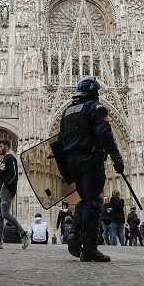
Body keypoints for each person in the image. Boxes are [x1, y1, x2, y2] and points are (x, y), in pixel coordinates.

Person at [56, 76, 125, 262]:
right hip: (90, 160)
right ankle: (90, 248)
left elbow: (60, 140)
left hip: (72, 163)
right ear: (94, 92)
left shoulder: (68, 112)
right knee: (94, 202)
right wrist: (116, 157)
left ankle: (75, 232)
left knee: (85, 200)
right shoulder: (95, 108)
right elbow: (104, 134)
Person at [0, 140, 31, 249]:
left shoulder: (11, 159)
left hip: (6, 190)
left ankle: (24, 234)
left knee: (5, 214)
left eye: (0, 146)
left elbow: (14, 174)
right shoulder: (3, 160)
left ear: (6, 146)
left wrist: (5, 185)